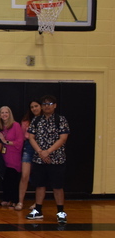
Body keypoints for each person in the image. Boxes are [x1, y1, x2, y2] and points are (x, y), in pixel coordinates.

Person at [27, 95, 70, 223]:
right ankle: (38, 210)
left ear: (55, 105)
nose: (47, 106)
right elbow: (31, 137)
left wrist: (48, 152)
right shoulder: (36, 120)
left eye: (50, 103)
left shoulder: (61, 120)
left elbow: (63, 138)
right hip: (39, 159)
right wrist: (40, 152)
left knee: (57, 186)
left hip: (56, 159)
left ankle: (61, 212)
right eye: (44, 104)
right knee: (39, 185)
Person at [0, 106, 24, 208]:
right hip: (3, 157)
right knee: (5, 179)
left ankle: (14, 200)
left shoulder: (16, 125)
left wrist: (5, 141)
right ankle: (6, 199)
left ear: (10, 114)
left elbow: (20, 142)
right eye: (2, 113)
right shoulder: (0, 127)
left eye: (6, 112)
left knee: (13, 179)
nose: (4, 114)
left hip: (14, 156)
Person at [17, 100, 42, 211]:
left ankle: (37, 203)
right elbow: (23, 137)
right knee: (25, 175)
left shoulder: (46, 120)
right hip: (28, 147)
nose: (34, 109)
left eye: (36, 106)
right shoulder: (26, 121)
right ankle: (20, 202)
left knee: (38, 177)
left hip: (42, 147)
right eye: (32, 107)